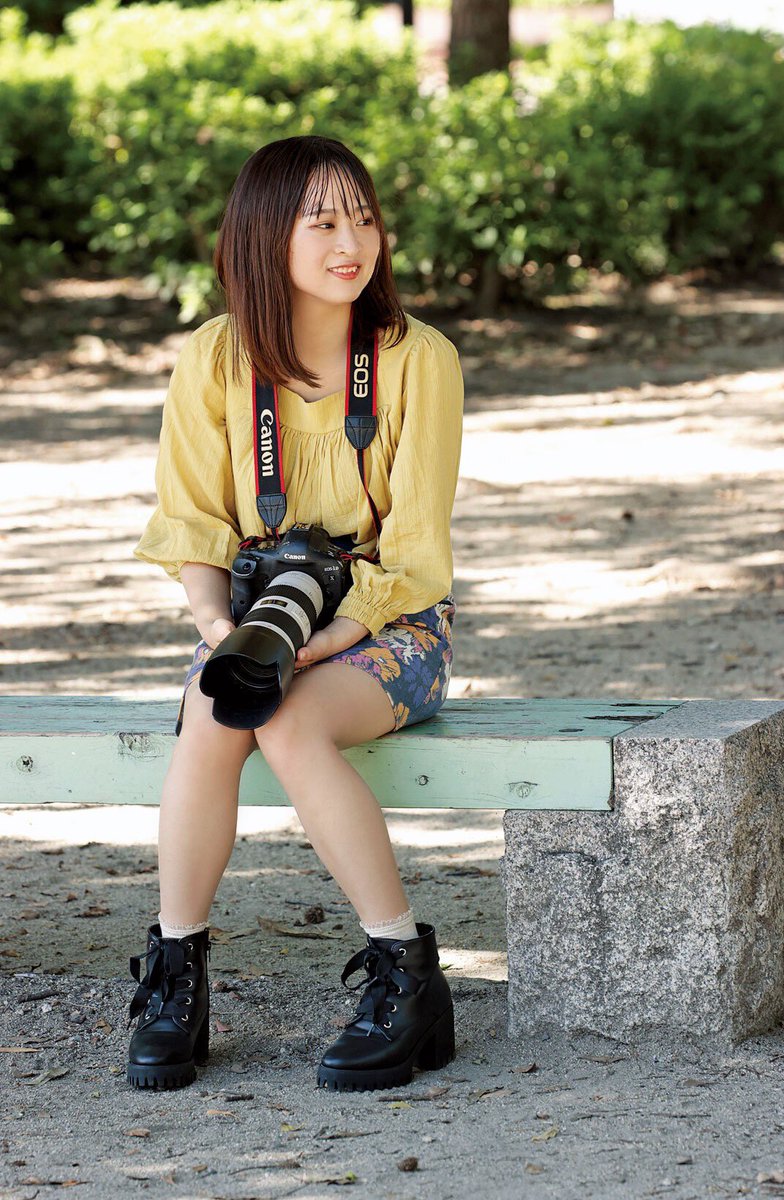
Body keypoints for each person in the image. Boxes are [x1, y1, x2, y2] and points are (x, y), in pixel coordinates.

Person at [127, 134, 464, 1093]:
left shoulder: (417, 360)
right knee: (215, 704)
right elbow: (194, 521)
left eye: (363, 218)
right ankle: (176, 975)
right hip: (256, 622)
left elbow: (415, 550)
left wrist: (338, 631)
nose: (351, 243)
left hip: (393, 624)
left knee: (287, 721)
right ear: (265, 236)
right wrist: (216, 628)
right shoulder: (216, 357)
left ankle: (406, 973)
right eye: (322, 222)